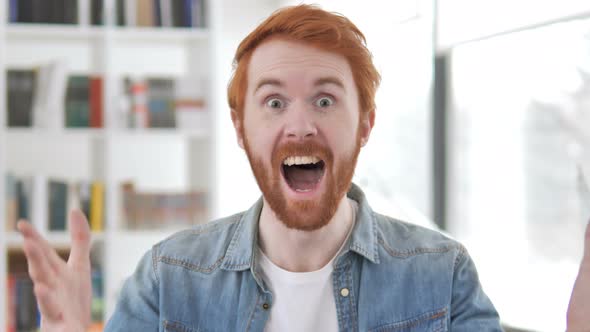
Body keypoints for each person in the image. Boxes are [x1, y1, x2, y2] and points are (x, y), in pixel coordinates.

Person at [16, 4, 590, 332]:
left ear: (364, 124)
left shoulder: (442, 277)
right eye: (273, 102)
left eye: (324, 100)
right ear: (241, 129)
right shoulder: (169, 279)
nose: (299, 126)